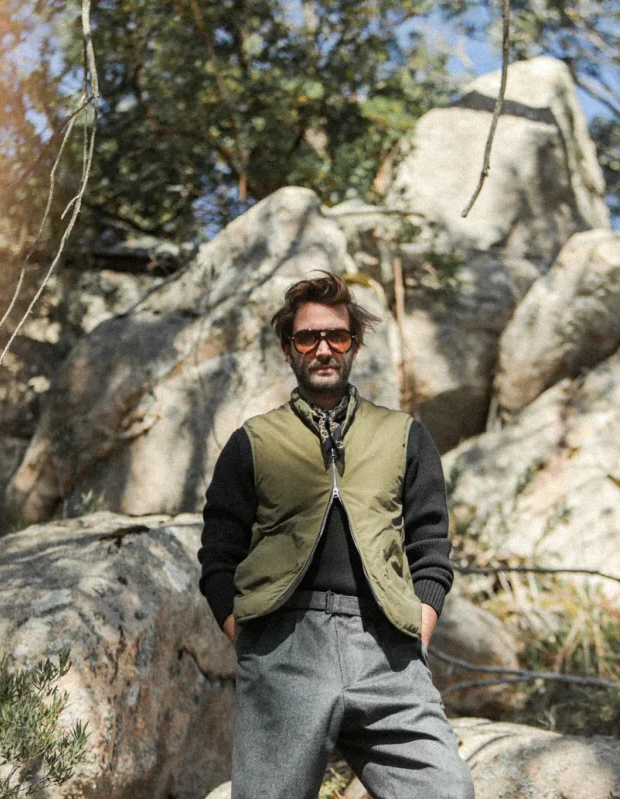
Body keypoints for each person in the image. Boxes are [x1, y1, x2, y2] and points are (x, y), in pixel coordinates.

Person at [197, 271, 475, 799]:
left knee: (446, 790)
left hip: (387, 649)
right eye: (307, 338)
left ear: (354, 346)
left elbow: (431, 547)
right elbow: (218, 554)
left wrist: (418, 632)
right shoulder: (253, 442)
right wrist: (248, 641)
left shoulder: (403, 436)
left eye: (337, 336)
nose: (323, 349)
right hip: (285, 647)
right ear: (289, 349)